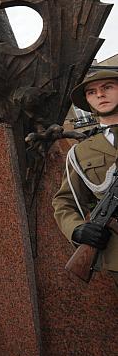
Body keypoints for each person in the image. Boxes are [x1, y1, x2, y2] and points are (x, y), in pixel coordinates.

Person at [52, 69, 118, 288]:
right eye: (92, 92)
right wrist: (77, 229)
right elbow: (65, 202)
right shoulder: (81, 152)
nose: (100, 95)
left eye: (107, 87)